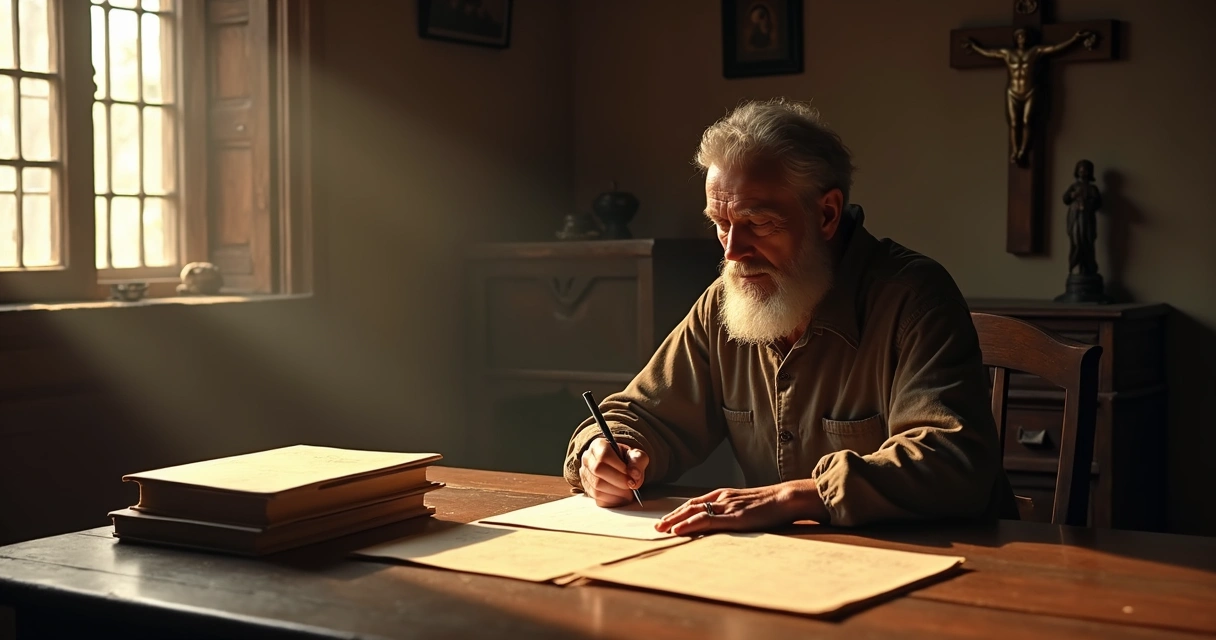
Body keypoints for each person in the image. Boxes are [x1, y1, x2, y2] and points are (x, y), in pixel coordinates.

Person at [563, 98, 1018, 536]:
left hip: (950, 568)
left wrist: (796, 498)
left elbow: (951, 459)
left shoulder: (913, 297)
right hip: (791, 570)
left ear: (826, 213)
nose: (731, 251)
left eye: (757, 223)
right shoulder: (725, 301)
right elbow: (641, 415)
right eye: (720, 223)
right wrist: (605, 452)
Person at [962, 28, 1096, 165]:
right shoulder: (1007, 53)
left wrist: (1074, 39)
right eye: (1019, 36)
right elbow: (989, 53)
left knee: (1027, 121)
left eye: (1025, 36)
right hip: (1012, 92)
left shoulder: (1035, 51)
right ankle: (1015, 151)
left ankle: (1023, 151)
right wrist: (975, 47)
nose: (1022, 39)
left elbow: (1054, 48)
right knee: (1014, 123)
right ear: (1016, 39)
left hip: (1029, 91)